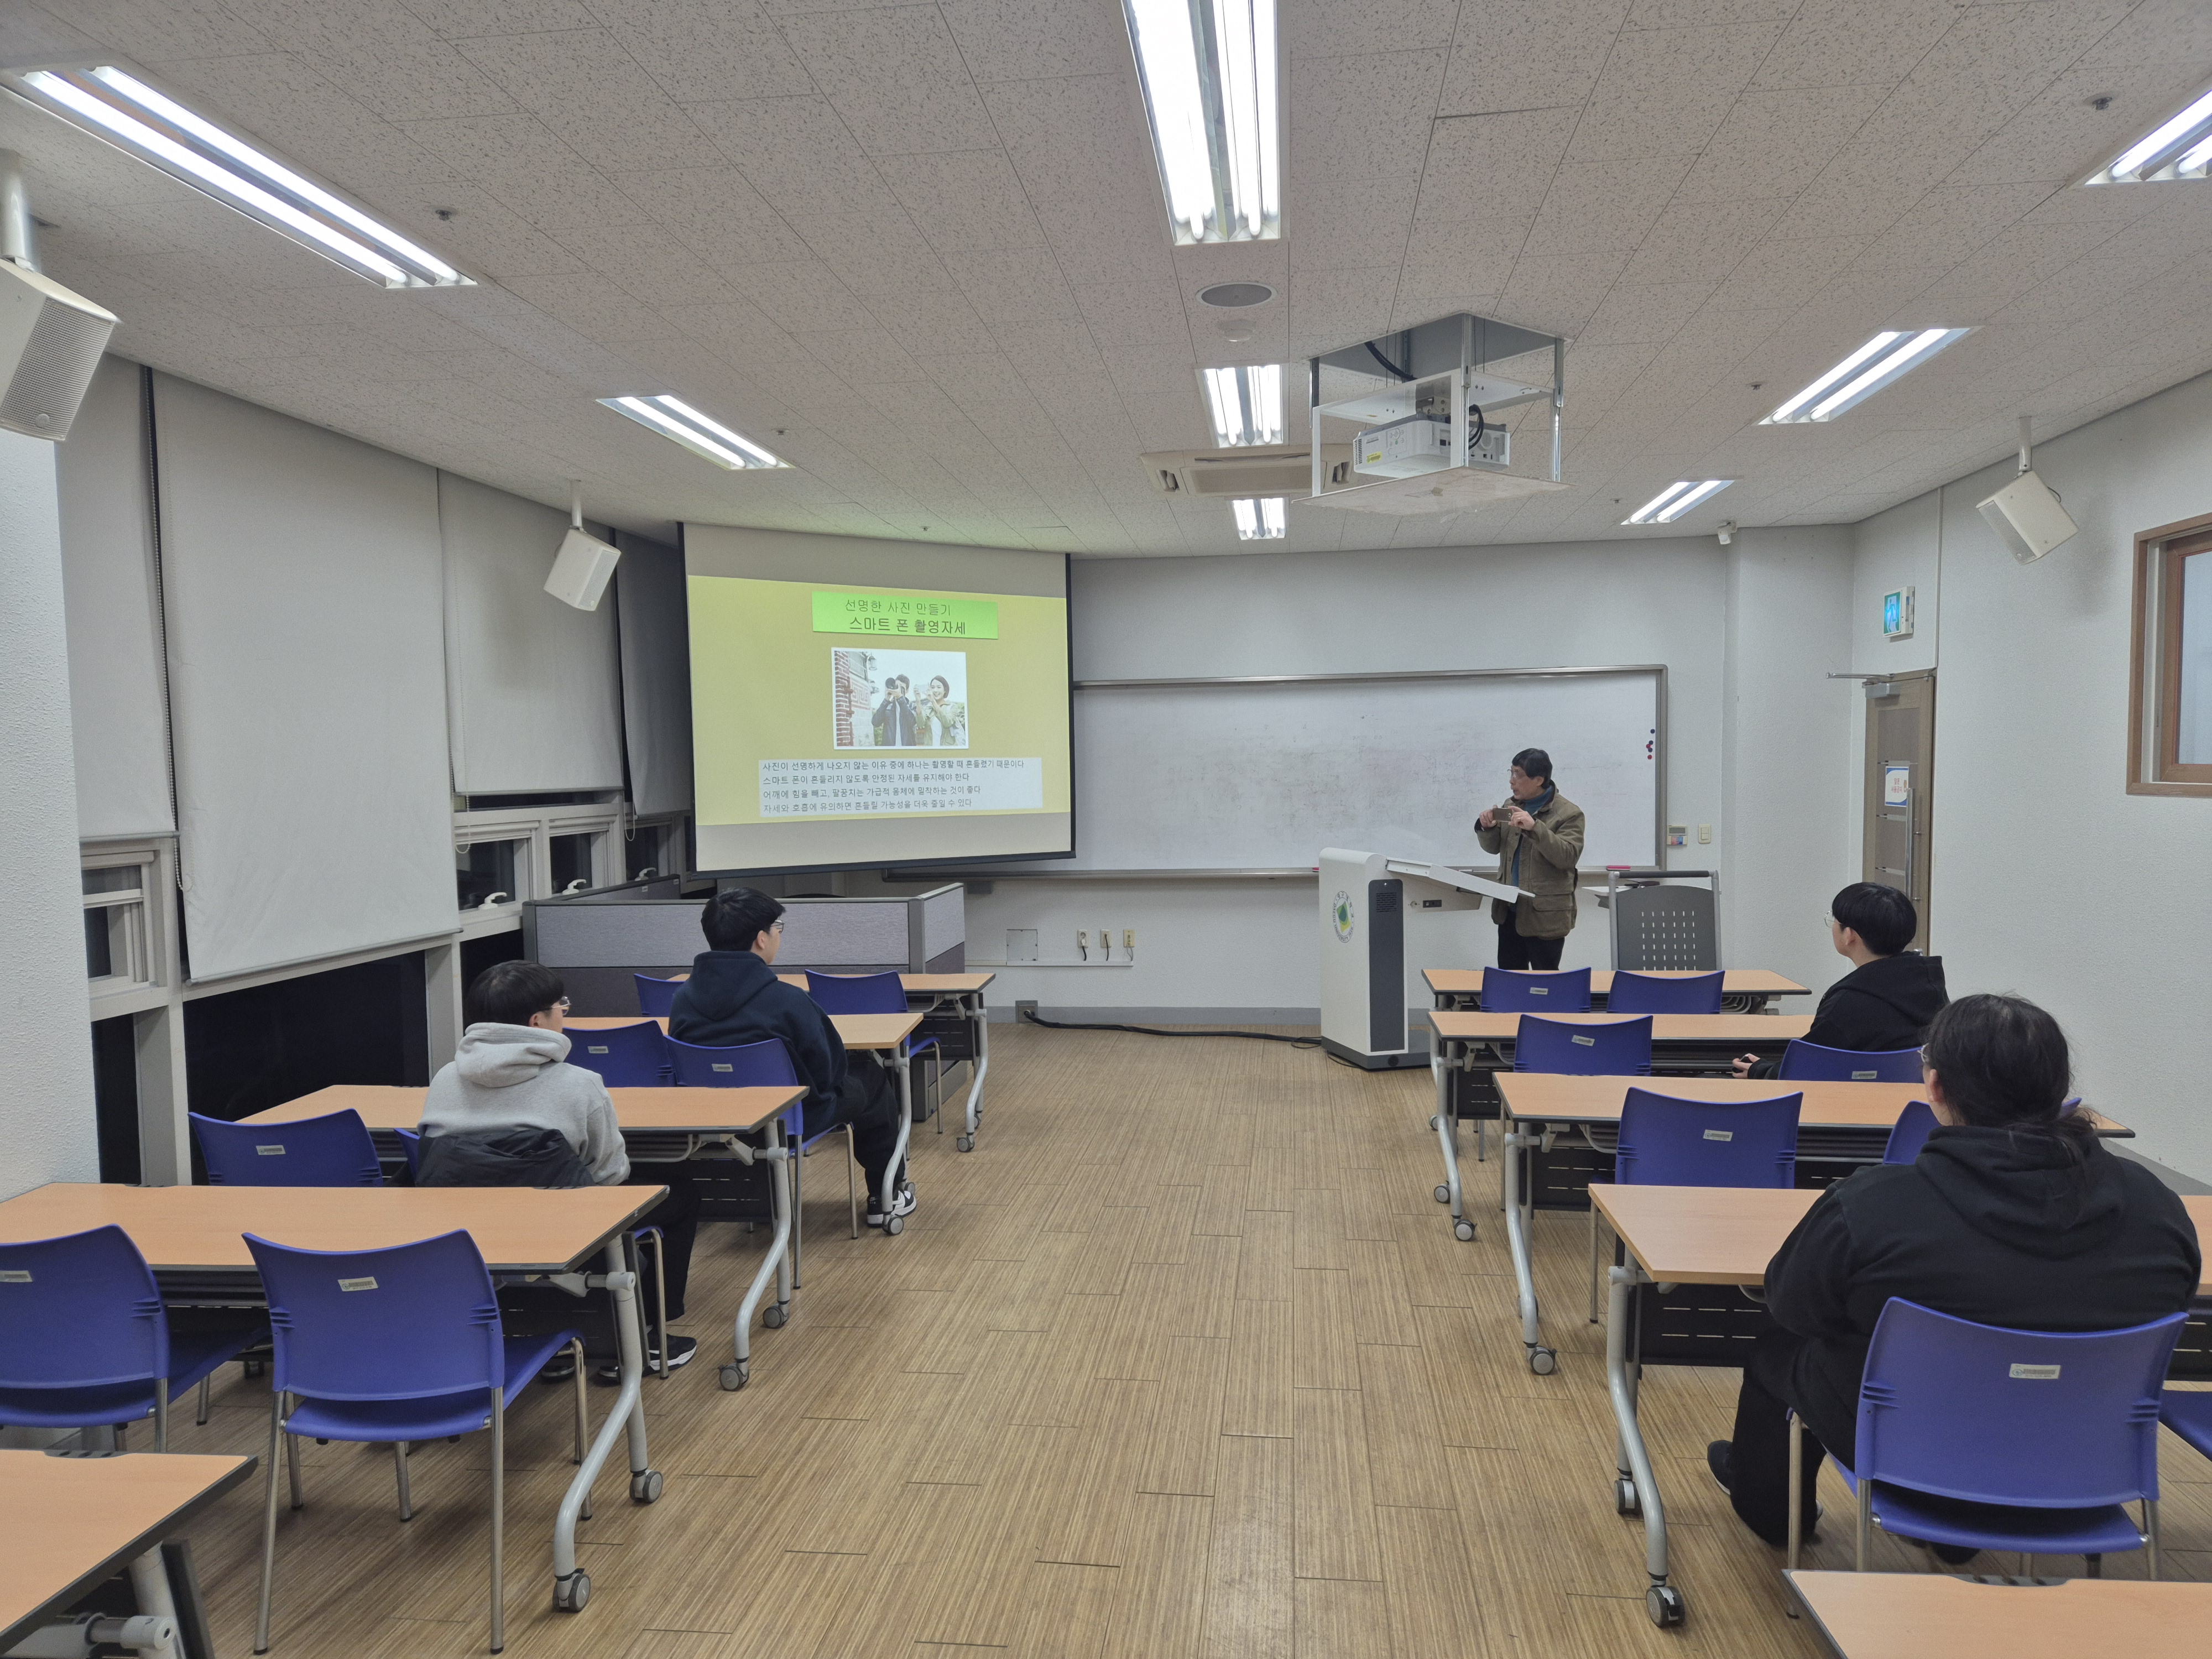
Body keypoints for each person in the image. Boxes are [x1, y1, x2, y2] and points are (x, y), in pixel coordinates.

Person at [1707, 993, 2200, 1553]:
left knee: (1779, 1345)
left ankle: (1772, 1514)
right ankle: (1960, 1532)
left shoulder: (1872, 1204)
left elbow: (1795, 1306)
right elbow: (2175, 1300)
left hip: (1910, 1451)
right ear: (2058, 1089)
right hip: (2083, 1459)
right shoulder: (2157, 1207)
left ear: (1935, 1086)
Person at [419, 959, 701, 1377]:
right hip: (563, 1233)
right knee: (681, 1192)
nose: (565, 1011)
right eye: (560, 1005)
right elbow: (610, 1174)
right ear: (537, 1021)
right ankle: (645, 1335)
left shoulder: (444, 1078)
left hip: (464, 1237)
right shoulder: (579, 1083)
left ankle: (535, 1335)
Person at [670, 889, 916, 1228]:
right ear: (761, 939)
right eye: (777, 928)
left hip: (716, 1122)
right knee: (870, 1076)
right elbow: (829, 1072)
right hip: (790, 1121)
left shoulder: (682, 999)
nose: (778, 935)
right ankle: (885, 1197)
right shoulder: (788, 1000)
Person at [1732, 884, 1947, 1078]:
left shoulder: (1847, 1004)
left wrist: (1761, 1070)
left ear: (1849, 935)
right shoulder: (1930, 984)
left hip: (1847, 1103)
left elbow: (1802, 1068)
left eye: (1835, 920)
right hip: (1915, 1103)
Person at [1474, 748, 1584, 971]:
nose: (1511, 781)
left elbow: (1567, 857)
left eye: (1518, 774)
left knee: (1545, 983)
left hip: (1545, 917)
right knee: (1510, 980)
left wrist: (1535, 827)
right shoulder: (1511, 805)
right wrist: (1486, 828)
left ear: (1539, 780)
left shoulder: (1569, 814)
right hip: (1509, 912)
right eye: (1511, 772)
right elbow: (1493, 848)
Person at [915, 674, 965, 747]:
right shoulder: (927, 708)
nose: (935, 690)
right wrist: (918, 701)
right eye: (933, 687)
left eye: (939, 687)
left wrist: (933, 702)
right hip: (930, 749)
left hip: (946, 750)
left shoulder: (952, 707)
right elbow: (920, 724)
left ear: (945, 690)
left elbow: (947, 723)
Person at [872, 676, 916, 747]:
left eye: (901, 688)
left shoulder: (912, 706)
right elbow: (875, 723)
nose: (898, 690)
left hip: (907, 750)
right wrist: (886, 700)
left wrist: (900, 698)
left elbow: (912, 721)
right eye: (896, 687)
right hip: (890, 751)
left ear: (907, 691)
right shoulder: (887, 706)